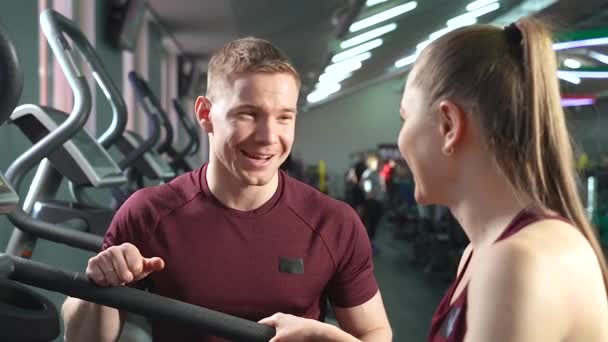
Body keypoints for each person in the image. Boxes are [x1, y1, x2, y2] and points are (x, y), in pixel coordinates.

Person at [261, 17, 608, 341]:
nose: (400, 140)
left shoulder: (517, 262)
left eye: (405, 118)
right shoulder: (481, 253)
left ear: (448, 126)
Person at [61, 37, 391, 342]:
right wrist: (99, 286)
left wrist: (326, 337)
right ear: (206, 114)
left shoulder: (334, 223)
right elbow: (84, 339)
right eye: (248, 114)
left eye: (284, 118)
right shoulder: (148, 213)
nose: (268, 137)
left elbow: (374, 332)